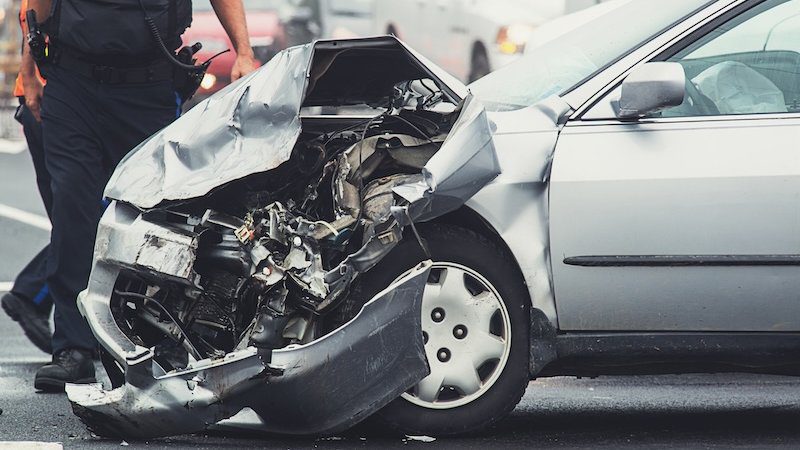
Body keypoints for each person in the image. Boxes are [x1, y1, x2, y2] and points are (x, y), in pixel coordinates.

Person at [26, 0, 259, 392]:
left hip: (147, 85)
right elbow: (38, 8)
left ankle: (155, 345)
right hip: (72, 81)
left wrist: (245, 51)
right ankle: (72, 349)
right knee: (73, 208)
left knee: (156, 216)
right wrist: (29, 69)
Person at [1, 0, 54, 356]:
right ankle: (32, 293)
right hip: (53, 97)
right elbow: (31, 16)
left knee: (86, 216)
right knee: (91, 215)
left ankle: (77, 335)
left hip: (55, 95)